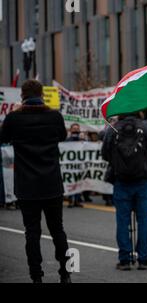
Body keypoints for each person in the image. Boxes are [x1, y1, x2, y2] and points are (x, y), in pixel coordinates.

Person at [0, 80, 71, 283]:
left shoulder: (14, 118)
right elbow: (62, 136)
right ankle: (65, 273)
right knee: (58, 230)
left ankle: (36, 276)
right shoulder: (54, 116)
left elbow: (3, 137)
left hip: (26, 185)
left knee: (32, 232)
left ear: (22, 95)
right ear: (41, 94)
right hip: (51, 183)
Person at [102, 111, 147, 271]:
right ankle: (143, 259)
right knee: (143, 220)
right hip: (143, 179)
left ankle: (124, 260)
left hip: (121, 180)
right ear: (140, 110)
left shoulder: (114, 128)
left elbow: (105, 154)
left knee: (122, 221)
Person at [66, 123, 85, 208]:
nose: (76, 130)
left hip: (80, 165)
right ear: (71, 129)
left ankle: (77, 200)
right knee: (71, 182)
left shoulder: (82, 140)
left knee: (79, 182)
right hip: (71, 166)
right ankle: (70, 200)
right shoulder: (68, 140)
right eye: (74, 128)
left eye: (77, 128)